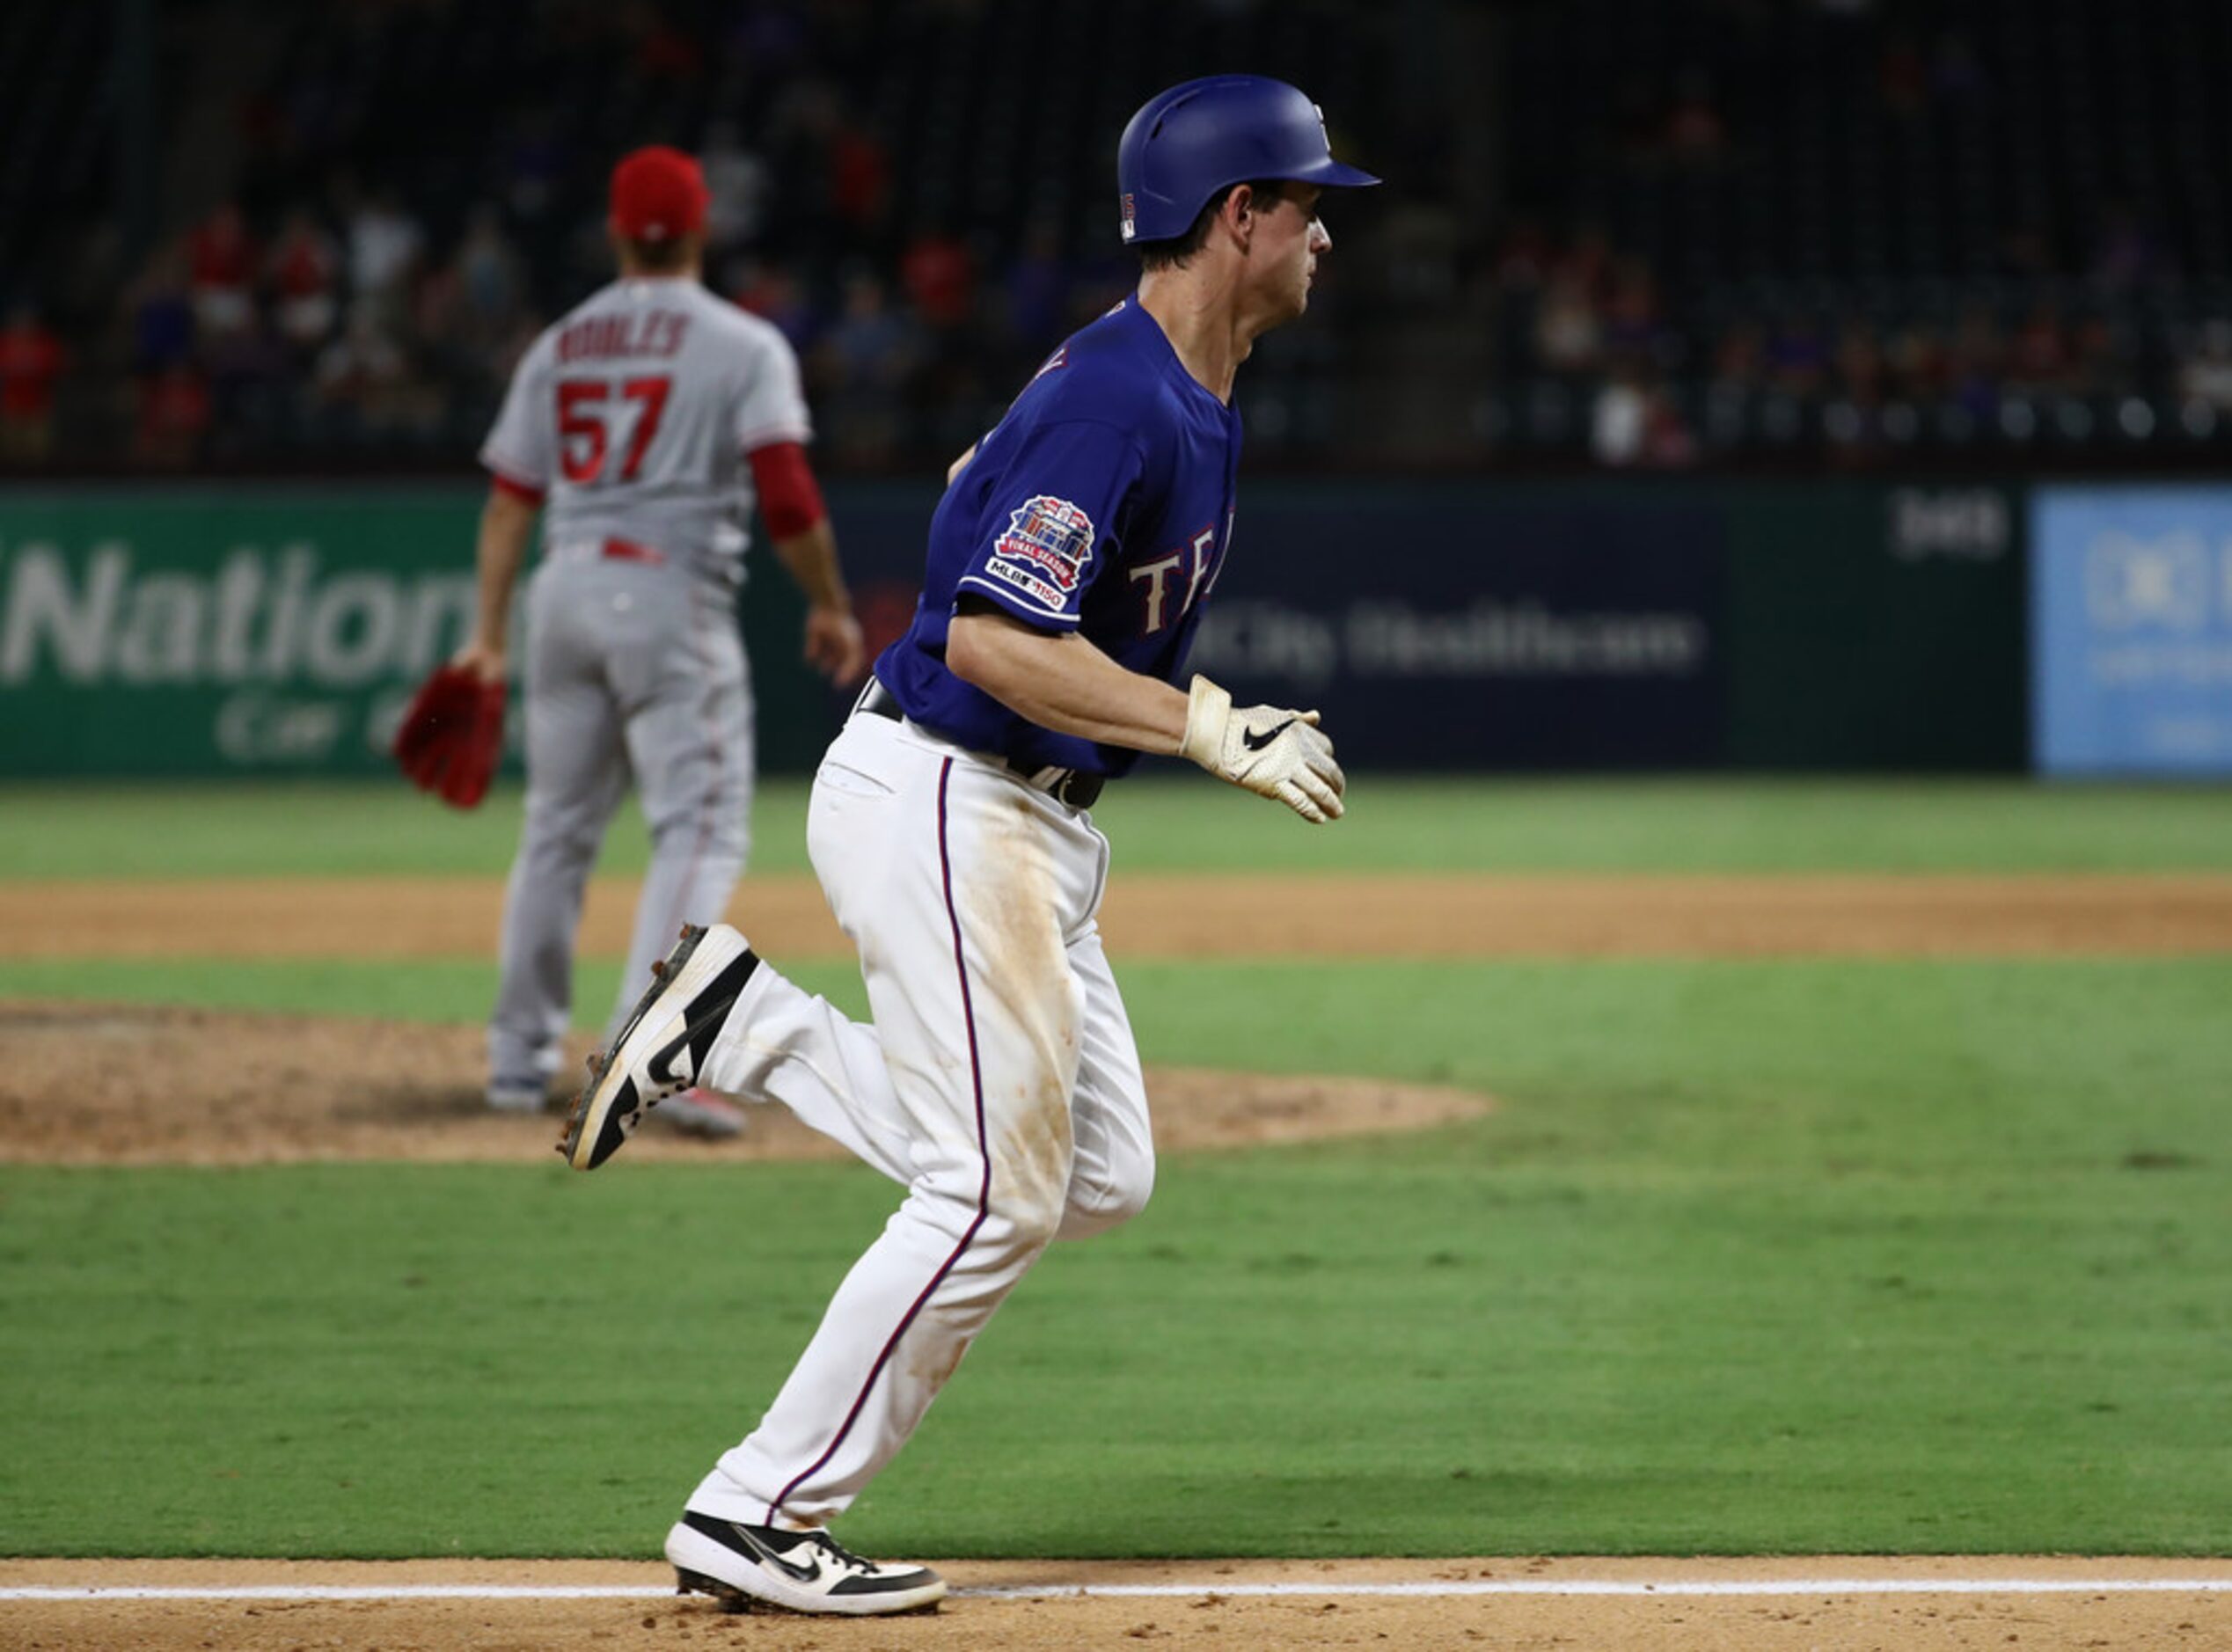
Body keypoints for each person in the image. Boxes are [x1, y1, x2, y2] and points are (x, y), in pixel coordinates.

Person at [560, 77, 1372, 1616]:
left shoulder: (1174, 386)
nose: (1325, 230)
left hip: (1019, 823)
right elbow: (999, 637)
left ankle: (754, 1024)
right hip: (951, 786)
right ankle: (755, 1506)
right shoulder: (1120, 395)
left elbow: (968, 505)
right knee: (994, 1191)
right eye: (1306, 201)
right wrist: (1204, 725)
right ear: (1234, 217)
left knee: (1099, 1174)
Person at [461, 145, 863, 1133]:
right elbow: (787, 495)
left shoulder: (560, 343)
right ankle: (654, 1052)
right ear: (699, 230)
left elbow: (511, 502)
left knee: (555, 831)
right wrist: (827, 602)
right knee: (698, 829)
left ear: (613, 233)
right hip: (667, 591)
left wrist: (487, 635)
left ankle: (515, 1063)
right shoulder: (741, 344)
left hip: (562, 586)